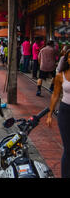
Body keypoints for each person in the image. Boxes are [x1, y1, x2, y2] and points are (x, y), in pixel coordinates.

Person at [46, 49, 70, 178]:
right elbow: (55, 95)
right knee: (68, 148)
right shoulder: (60, 75)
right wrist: (50, 114)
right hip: (65, 112)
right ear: (67, 59)